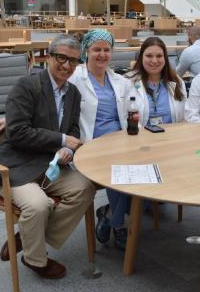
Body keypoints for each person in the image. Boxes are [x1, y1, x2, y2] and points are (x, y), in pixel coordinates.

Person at [0, 34, 96, 279]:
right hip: (13, 166)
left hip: (47, 165)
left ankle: (28, 237)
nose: (67, 65)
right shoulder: (26, 86)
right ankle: (35, 259)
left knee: (85, 188)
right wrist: (61, 141)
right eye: (61, 58)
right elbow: (16, 133)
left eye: (73, 61)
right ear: (48, 56)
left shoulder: (74, 94)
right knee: (38, 205)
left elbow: (73, 130)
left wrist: (68, 149)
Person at [68, 29, 134, 251]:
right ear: (86, 51)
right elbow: (49, 99)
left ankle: (107, 213)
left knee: (147, 169)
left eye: (107, 50)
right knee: (119, 172)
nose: (102, 54)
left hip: (122, 141)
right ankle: (118, 224)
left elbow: (133, 110)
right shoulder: (74, 78)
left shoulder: (120, 81)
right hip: (91, 144)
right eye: (97, 49)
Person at [127, 36, 187, 127]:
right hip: (141, 138)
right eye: (149, 56)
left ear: (165, 58)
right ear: (141, 57)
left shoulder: (177, 82)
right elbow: (126, 118)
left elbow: (184, 117)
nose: (154, 61)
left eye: (159, 56)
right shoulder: (128, 82)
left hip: (173, 137)